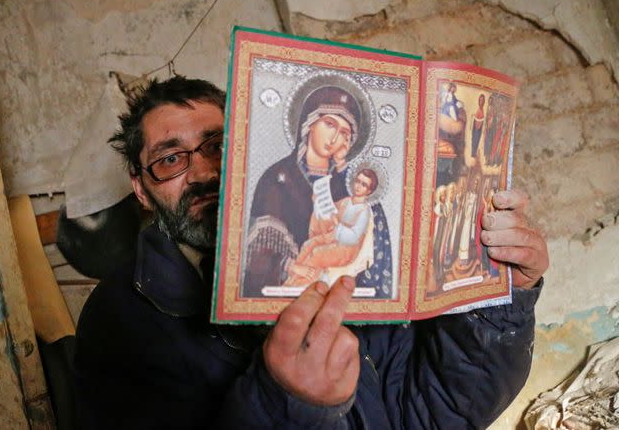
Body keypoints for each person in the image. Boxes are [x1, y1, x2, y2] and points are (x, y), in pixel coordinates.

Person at [73, 76, 549, 428]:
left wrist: (501, 297)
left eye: (217, 145)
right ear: (140, 188)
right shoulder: (120, 320)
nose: (202, 172)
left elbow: (440, 409)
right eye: (170, 158)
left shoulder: (367, 250)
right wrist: (290, 402)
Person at [243, 85, 358, 297]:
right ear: (310, 124)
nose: (334, 139)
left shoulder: (347, 183)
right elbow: (258, 252)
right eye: (329, 124)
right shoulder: (277, 178)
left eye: (344, 133)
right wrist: (290, 266)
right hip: (292, 291)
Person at [285, 169, 378, 287]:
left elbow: (354, 238)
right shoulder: (345, 202)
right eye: (358, 181)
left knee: (317, 253)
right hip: (332, 238)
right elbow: (329, 216)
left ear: (369, 191)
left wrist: (337, 226)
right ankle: (292, 279)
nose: (358, 186)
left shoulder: (364, 211)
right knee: (309, 245)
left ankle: (300, 285)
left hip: (347, 249)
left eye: (363, 184)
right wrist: (318, 203)